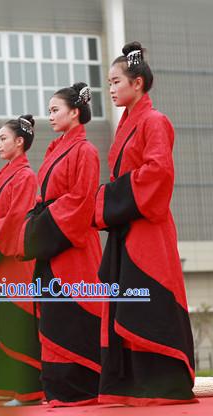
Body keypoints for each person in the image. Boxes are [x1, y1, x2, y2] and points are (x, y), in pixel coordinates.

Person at [94, 41, 196, 405]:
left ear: (138, 83)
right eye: (108, 82)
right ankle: (132, 385)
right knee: (125, 302)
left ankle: (161, 385)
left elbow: (158, 173)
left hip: (146, 226)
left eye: (116, 81)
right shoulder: (127, 125)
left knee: (147, 300)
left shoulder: (155, 121)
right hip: (127, 225)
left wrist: (106, 200)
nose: (111, 89)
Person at [17, 83, 102, 406]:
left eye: (55, 110)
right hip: (51, 242)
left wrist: (39, 227)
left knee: (72, 314)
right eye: (49, 110)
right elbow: (44, 199)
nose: (50, 116)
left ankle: (79, 390)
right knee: (52, 316)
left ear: (75, 112)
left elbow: (81, 201)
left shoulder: (86, 151)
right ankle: (57, 390)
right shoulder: (57, 149)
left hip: (72, 248)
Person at [0, 114, 43, 406]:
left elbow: (17, 219)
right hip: (0, 260)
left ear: (20, 142)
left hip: (16, 261)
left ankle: (28, 391)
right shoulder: (5, 175)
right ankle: (11, 388)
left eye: (3, 138)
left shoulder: (26, 176)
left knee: (18, 323)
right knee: (2, 322)